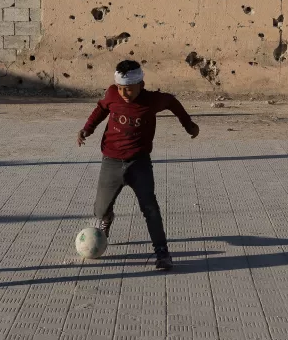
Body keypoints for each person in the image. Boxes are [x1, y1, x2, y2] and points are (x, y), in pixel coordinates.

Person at [77, 60, 200, 270]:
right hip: (111, 161)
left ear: (141, 85)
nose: (125, 93)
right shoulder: (112, 94)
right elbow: (101, 108)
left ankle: (162, 253)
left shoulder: (152, 100)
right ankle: (107, 219)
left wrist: (189, 125)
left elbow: (172, 102)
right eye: (121, 88)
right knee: (100, 210)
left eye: (130, 89)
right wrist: (87, 129)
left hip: (139, 163)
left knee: (150, 208)